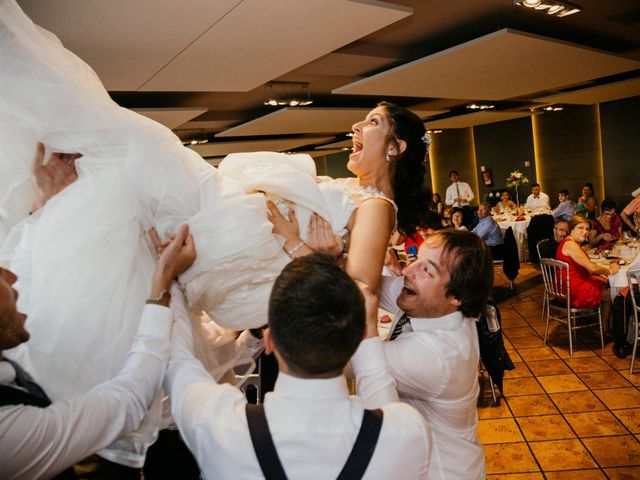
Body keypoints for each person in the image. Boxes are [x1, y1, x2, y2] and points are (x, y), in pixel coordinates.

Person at [1, 6, 432, 466]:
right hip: (229, 225)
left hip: (236, 234)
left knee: (136, 143)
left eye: (371, 122)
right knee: (118, 175)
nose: (356, 126)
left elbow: (359, 291)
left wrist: (294, 243)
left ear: (395, 147)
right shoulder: (354, 192)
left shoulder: (378, 206)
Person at [165, 254, 431, 479]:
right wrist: (367, 331)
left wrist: (170, 280)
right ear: (360, 336)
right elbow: (381, 399)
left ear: (268, 341)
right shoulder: (407, 433)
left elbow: (178, 359)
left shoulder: (218, 424)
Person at [0, 224, 196, 480]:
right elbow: (127, 398)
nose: (11, 278)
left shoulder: (12, 359)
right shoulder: (8, 434)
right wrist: (165, 277)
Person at [351, 230, 493, 479]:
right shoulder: (432, 305)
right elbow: (364, 281)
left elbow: (355, 364)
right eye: (415, 260)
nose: (407, 271)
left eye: (427, 270)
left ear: (456, 297)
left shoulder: (438, 355)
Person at [556, 215, 619, 325]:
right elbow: (592, 268)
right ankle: (605, 328)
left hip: (566, 287)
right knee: (611, 293)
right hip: (573, 291)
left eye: (587, 229)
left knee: (605, 281)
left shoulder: (569, 242)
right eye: (580, 228)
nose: (585, 232)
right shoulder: (571, 244)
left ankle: (601, 323)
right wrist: (610, 270)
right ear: (571, 229)